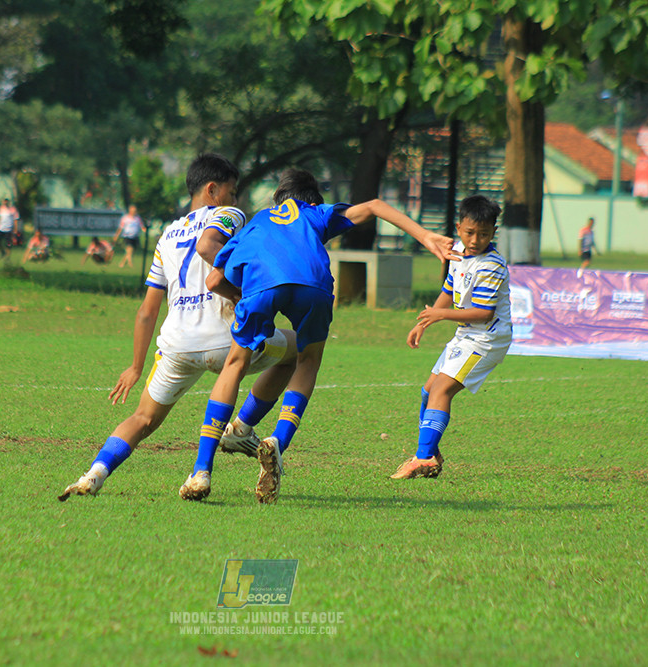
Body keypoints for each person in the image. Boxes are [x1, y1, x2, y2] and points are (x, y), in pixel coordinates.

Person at [182, 168, 459, 504]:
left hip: (261, 287)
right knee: (307, 359)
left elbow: (213, 281)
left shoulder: (258, 221)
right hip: (312, 286)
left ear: (279, 200)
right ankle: (278, 441)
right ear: (313, 201)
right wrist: (426, 236)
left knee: (235, 364)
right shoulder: (315, 213)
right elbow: (374, 206)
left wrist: (245, 296)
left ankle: (201, 470)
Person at [59, 153, 299, 501]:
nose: (235, 200)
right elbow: (215, 248)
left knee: (143, 418)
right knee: (298, 349)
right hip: (225, 338)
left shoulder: (167, 235)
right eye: (232, 192)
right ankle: (240, 430)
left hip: (177, 346)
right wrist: (241, 293)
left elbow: (147, 311)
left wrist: (136, 366)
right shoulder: (228, 215)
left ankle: (93, 474)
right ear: (213, 190)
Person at [391, 194, 512, 481]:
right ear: (459, 228)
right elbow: (449, 289)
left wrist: (441, 315)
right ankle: (430, 454)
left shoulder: (491, 265)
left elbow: (484, 313)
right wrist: (425, 322)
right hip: (466, 335)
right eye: (470, 233)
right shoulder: (457, 252)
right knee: (428, 391)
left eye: (484, 234)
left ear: (494, 233)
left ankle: (422, 458)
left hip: (486, 340)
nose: (475, 240)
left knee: (441, 391)